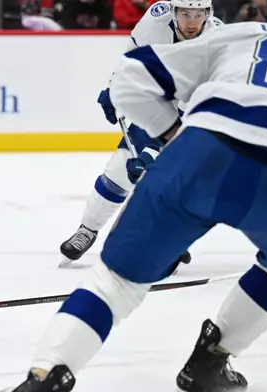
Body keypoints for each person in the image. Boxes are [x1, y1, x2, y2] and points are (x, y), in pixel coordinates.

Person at [8, 0, 267, 390]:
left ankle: (46, 374)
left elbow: (131, 77)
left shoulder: (237, 33)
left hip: (201, 153)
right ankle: (211, 362)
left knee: (116, 283)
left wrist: (171, 135)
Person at [59, 0, 222, 268]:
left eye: (197, 14)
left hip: (201, 115)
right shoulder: (156, 19)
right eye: (185, 14)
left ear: (208, 14)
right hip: (158, 98)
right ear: (174, 12)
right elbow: (132, 60)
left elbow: (187, 116)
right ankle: (87, 230)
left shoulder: (216, 42)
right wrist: (114, 90)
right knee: (120, 170)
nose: (191, 22)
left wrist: (152, 152)